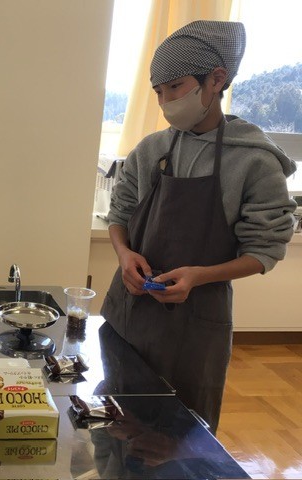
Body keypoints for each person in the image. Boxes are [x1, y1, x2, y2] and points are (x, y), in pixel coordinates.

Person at [101, 20, 297, 434]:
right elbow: (120, 213)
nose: (165, 101)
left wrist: (199, 275)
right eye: (158, 91)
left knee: (179, 440)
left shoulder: (254, 162)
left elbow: (264, 251)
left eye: (175, 87)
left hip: (194, 329)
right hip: (129, 314)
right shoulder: (152, 149)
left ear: (216, 80)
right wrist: (124, 253)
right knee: (113, 425)